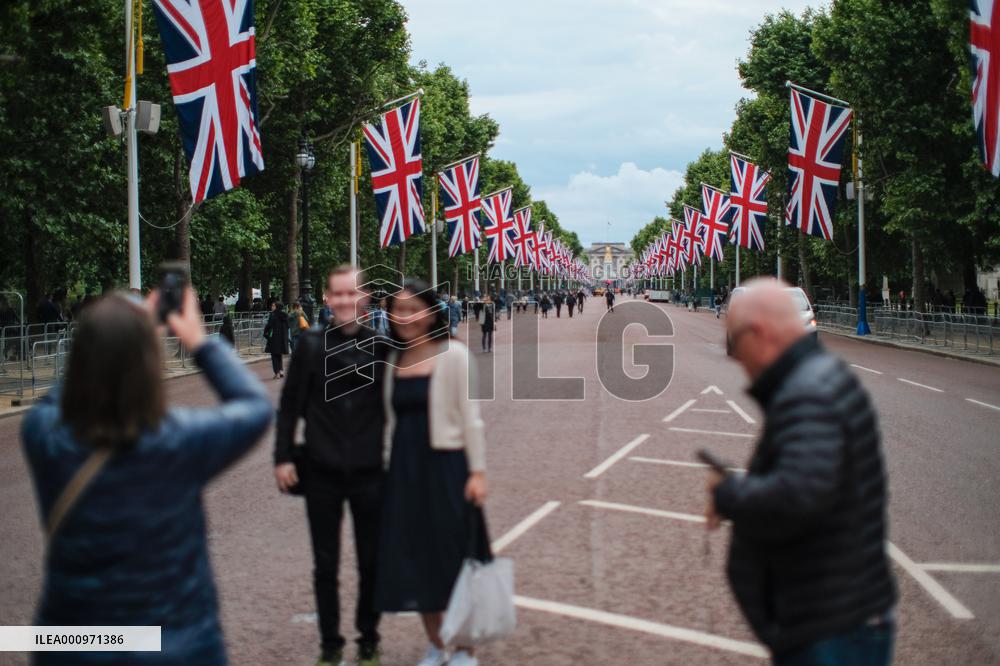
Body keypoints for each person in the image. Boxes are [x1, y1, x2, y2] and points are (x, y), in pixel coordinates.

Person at [22, 289, 272, 665]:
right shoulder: (178, 440)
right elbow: (253, 406)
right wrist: (200, 342)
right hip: (177, 646)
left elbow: (56, 400)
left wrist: (104, 339)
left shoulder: (45, 436)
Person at [705, 279, 896, 666]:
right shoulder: (816, 378)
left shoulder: (807, 393)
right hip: (830, 612)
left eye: (736, 344)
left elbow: (799, 495)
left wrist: (728, 494)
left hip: (830, 622)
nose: (735, 358)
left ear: (758, 334)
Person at [274, 266, 387, 666]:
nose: (344, 301)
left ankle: (369, 637)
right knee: (325, 564)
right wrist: (283, 456)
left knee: (371, 562)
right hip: (321, 469)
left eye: (351, 294)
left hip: (369, 471)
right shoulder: (309, 344)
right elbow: (290, 406)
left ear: (365, 298)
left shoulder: (381, 346)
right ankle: (331, 644)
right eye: (336, 294)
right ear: (327, 298)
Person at [376, 279, 488, 666]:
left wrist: (477, 472)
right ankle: (436, 642)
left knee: (453, 559)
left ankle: (464, 647)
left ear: (430, 311)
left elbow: (471, 419)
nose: (404, 316)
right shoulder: (392, 360)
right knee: (416, 558)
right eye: (397, 309)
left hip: (448, 467)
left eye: (412, 308)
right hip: (406, 471)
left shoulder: (453, 355)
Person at [263, 301, 290, 379]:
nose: (272, 307)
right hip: (282, 339)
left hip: (274, 338)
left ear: (277, 307)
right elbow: (288, 326)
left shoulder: (273, 315)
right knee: (279, 355)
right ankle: (281, 371)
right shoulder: (284, 315)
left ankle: (277, 372)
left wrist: (265, 333)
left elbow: (269, 325)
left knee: (274, 356)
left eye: (273, 306)